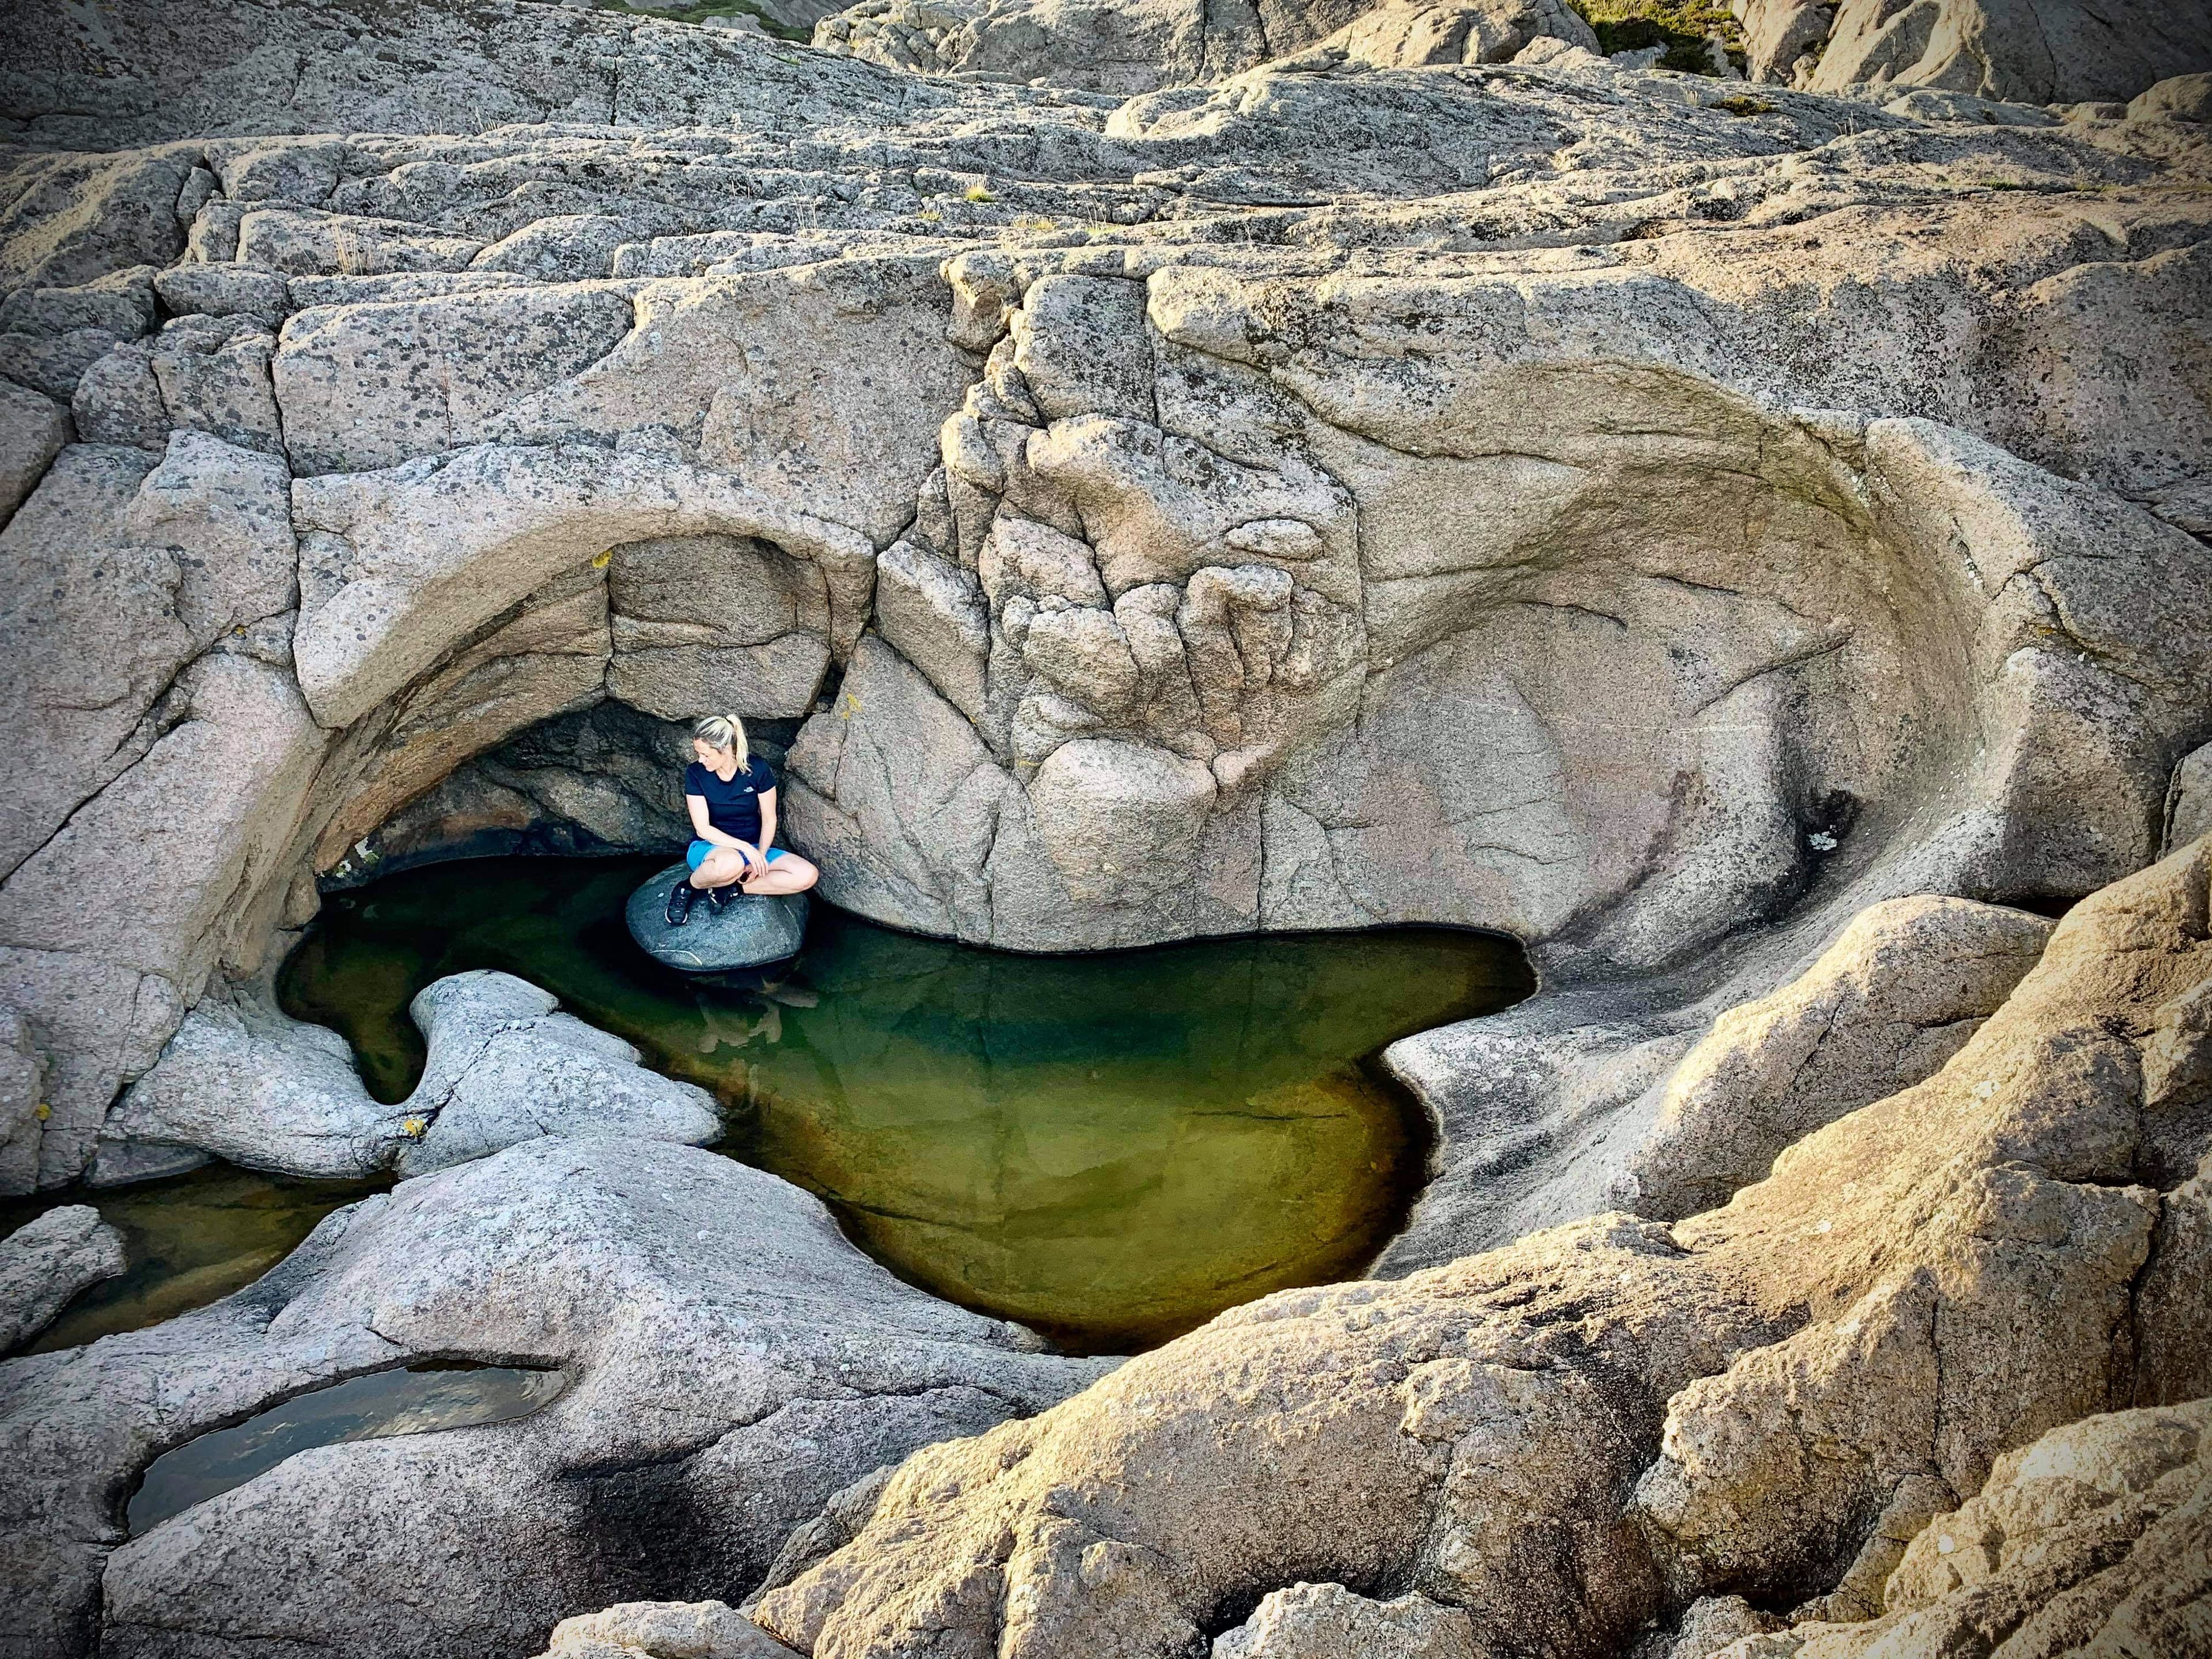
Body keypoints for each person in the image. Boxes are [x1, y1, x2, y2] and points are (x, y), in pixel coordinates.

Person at [666, 713, 820, 926]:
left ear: (725, 749)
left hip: (754, 847)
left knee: (807, 875)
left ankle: (732, 889)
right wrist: (745, 849)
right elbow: (703, 829)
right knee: (733, 863)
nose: (700, 760)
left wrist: (761, 856)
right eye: (698, 754)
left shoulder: (758, 769)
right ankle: (687, 888)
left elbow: (769, 819)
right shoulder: (696, 773)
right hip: (710, 847)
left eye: (706, 755)